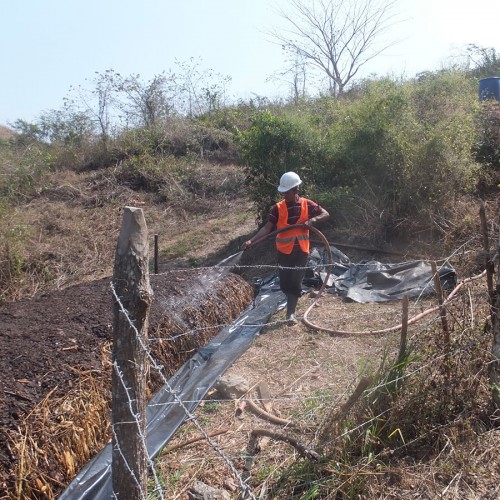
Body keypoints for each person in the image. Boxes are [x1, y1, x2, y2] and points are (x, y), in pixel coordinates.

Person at [241, 171, 330, 323]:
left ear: (296, 190)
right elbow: (267, 228)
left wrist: (313, 220)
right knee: (284, 283)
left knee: (295, 282)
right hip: (284, 252)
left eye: (287, 192)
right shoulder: (277, 208)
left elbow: (326, 214)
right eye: (283, 192)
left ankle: (290, 314)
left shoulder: (307, 204)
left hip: (301, 251)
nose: (284, 195)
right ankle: (291, 301)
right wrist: (252, 241)